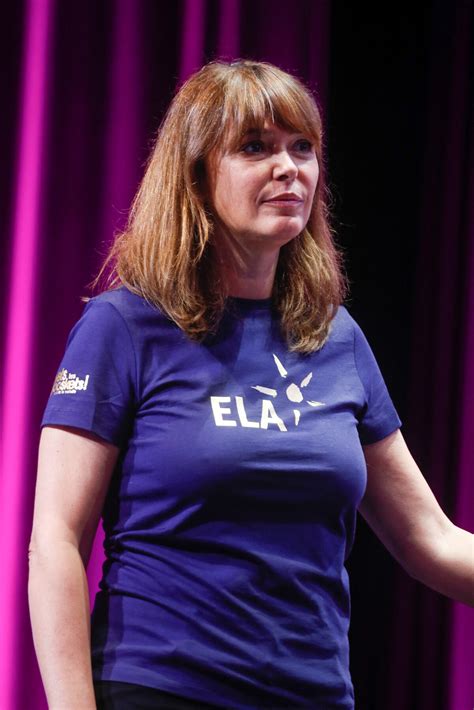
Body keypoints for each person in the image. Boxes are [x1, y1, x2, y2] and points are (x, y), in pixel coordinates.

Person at [28, 60, 473, 710]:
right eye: (256, 147)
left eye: (303, 148)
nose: (289, 167)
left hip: (315, 694)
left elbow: (430, 539)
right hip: (163, 689)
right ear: (198, 174)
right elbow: (56, 542)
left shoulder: (334, 336)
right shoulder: (123, 328)